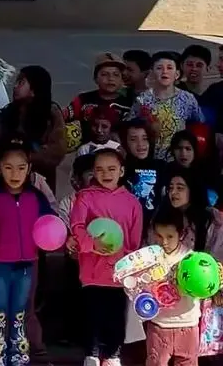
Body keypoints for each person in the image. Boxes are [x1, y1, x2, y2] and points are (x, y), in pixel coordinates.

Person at [0, 140, 53, 366]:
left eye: (21, 167)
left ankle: (18, 353)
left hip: (27, 264)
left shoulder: (37, 197)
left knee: (20, 311)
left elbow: (50, 225)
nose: (15, 173)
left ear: (29, 168)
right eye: (8, 167)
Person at [70, 148, 143, 366]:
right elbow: (77, 227)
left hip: (119, 275)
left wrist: (129, 267)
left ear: (122, 171)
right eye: (100, 169)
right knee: (92, 318)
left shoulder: (132, 202)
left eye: (111, 169)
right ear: (93, 172)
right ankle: (91, 355)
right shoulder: (85, 197)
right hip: (92, 273)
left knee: (116, 319)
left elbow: (134, 242)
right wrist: (92, 244)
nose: (106, 174)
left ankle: (113, 356)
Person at [146, 207, 199, 366]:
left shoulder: (192, 259)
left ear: (181, 234)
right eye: (159, 236)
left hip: (187, 324)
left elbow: (203, 288)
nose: (164, 242)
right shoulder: (148, 258)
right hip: (159, 324)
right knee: (156, 362)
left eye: (170, 236)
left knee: (188, 362)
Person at [0, 66, 66, 187]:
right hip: (9, 176)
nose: (15, 86)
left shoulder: (50, 114)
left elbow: (56, 152)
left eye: (21, 83)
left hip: (41, 180)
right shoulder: (8, 112)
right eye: (16, 82)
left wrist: (25, 157)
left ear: (34, 90)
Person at [129, 51, 203, 160]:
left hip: (178, 159)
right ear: (152, 73)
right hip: (150, 158)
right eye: (159, 68)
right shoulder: (142, 99)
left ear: (177, 74)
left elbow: (199, 123)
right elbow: (130, 125)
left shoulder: (188, 99)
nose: (164, 72)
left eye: (169, 68)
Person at [65, 53, 133, 129]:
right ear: (95, 79)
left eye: (116, 74)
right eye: (104, 74)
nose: (111, 78)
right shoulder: (83, 100)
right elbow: (62, 117)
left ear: (122, 80)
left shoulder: (131, 103)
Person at [122, 119, 162, 225]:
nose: (140, 144)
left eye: (145, 138)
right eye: (133, 139)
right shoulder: (120, 168)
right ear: (125, 142)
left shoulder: (161, 166)